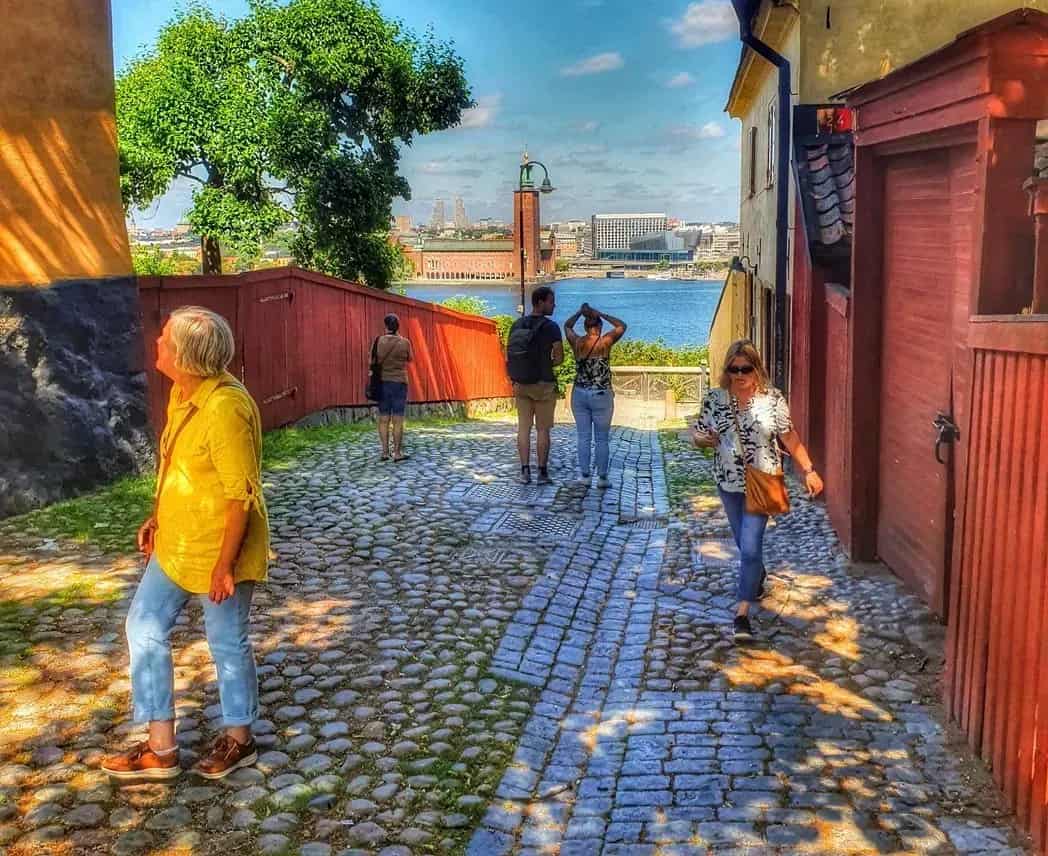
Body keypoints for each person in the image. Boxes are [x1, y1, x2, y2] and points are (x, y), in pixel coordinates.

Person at [102, 306, 269, 781]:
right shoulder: (183, 392)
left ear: (185, 355)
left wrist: (225, 565)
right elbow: (178, 465)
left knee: (226, 642)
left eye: (165, 339)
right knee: (144, 626)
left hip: (221, 547)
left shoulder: (226, 408)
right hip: (175, 543)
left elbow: (240, 495)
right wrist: (158, 515)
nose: (157, 343)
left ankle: (240, 740)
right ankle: (161, 748)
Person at [690, 340, 823, 643]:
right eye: (733, 369)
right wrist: (702, 439)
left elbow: (790, 438)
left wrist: (808, 470)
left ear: (756, 368)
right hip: (728, 483)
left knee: (750, 548)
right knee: (743, 544)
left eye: (745, 368)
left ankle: (741, 615)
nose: (739, 374)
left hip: (762, 484)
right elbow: (696, 432)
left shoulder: (772, 400)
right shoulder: (715, 399)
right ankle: (756, 577)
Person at [564, 302, 626, 488]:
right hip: (601, 394)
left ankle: (584, 475)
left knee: (583, 437)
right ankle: (602, 478)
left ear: (585, 326)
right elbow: (621, 326)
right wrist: (601, 313)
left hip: (580, 393)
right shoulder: (605, 342)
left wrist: (578, 312)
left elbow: (567, 326)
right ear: (599, 326)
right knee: (601, 438)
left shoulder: (577, 343)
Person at [506, 286, 563, 484]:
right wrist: (546, 363)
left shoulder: (517, 325)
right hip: (543, 384)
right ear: (540, 302)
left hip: (521, 383)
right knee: (542, 430)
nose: (554, 305)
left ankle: (524, 471)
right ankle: (542, 473)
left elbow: (510, 354)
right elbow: (559, 358)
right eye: (551, 301)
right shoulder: (552, 327)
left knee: (523, 428)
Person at [373, 314, 413, 462]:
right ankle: (397, 453)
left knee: (383, 418)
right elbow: (410, 358)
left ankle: (384, 452)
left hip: (383, 382)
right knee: (398, 419)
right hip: (400, 383)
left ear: (385, 326)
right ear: (398, 326)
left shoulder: (378, 341)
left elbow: (371, 360)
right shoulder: (405, 342)